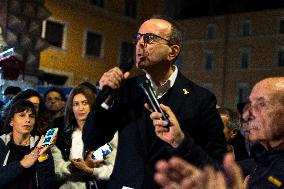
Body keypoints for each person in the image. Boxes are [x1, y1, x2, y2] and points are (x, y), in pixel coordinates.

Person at [83, 15, 227, 189]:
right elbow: (92, 140)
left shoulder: (201, 99)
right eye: (138, 38)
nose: (140, 44)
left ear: (172, 51)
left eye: (149, 38)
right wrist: (106, 102)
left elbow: (217, 166)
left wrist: (181, 141)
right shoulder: (125, 89)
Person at [153, 77, 284, 189]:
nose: (245, 115)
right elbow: (216, 173)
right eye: (249, 106)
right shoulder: (258, 164)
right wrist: (179, 140)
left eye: (261, 105)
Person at [51, 85, 117, 189]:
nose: (81, 108)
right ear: (71, 108)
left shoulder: (107, 134)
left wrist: (89, 169)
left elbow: (113, 169)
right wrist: (71, 167)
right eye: (76, 104)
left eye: (85, 103)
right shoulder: (63, 135)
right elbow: (55, 170)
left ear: (92, 105)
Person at [0, 100, 57, 189]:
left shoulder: (40, 145)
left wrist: (40, 156)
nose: (28, 120)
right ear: (11, 121)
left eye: (31, 116)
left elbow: (49, 184)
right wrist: (21, 164)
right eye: (22, 115)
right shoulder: (1, 144)